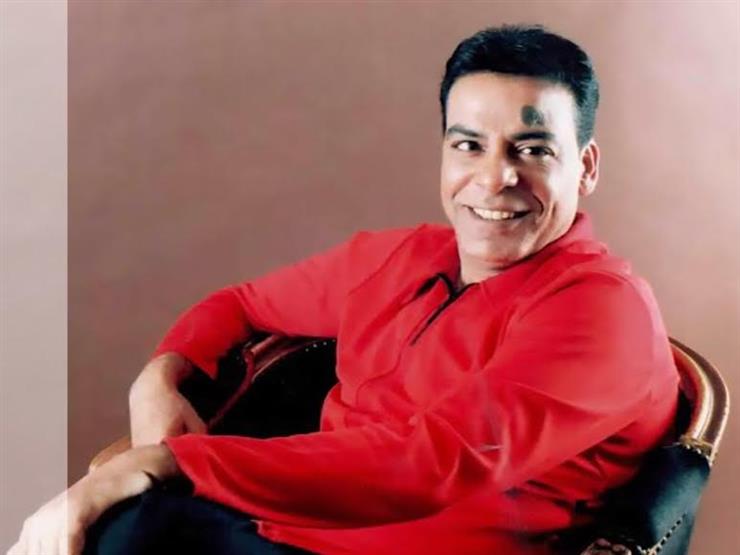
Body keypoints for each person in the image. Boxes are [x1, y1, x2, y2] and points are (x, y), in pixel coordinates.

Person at [9, 24, 678, 555]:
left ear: (586, 166)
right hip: (280, 530)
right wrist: (158, 377)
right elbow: (240, 305)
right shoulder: (403, 257)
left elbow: (433, 464)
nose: (494, 178)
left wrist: (167, 462)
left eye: (532, 149)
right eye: (469, 145)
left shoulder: (605, 310)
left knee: (119, 523)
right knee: (104, 531)